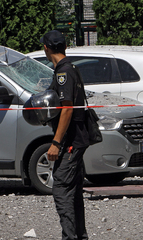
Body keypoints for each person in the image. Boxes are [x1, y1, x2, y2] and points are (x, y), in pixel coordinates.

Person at [40, 30, 90, 240]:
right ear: (65, 47)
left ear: (46, 48)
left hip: (70, 141)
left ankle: (70, 237)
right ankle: (80, 236)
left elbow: (67, 108)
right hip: (77, 139)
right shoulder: (70, 69)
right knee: (73, 191)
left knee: (61, 188)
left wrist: (56, 143)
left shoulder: (63, 73)